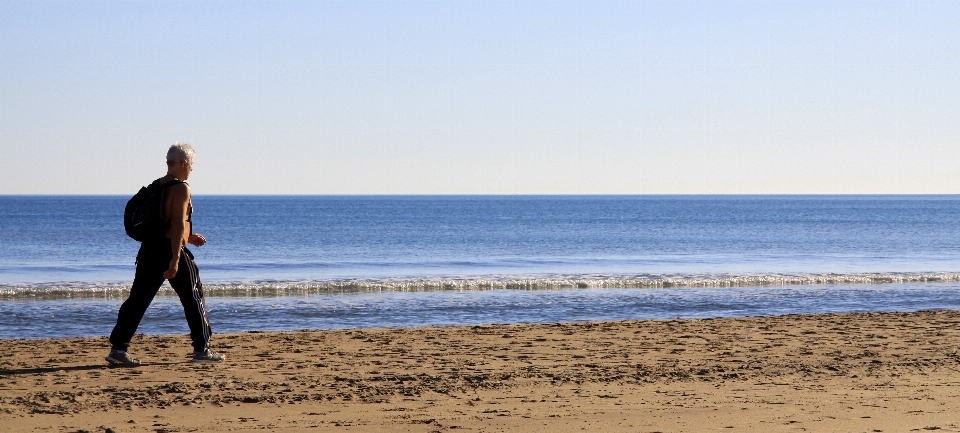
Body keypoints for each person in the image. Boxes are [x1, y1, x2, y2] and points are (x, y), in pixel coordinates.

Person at [106, 143, 224, 366]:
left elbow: (162, 222)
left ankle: (118, 350)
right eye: (191, 165)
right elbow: (178, 222)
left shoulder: (156, 186)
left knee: (137, 300)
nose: (192, 169)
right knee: (193, 297)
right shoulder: (181, 188)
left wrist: (189, 237)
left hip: (149, 250)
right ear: (183, 163)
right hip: (170, 250)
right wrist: (176, 258)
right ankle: (202, 349)